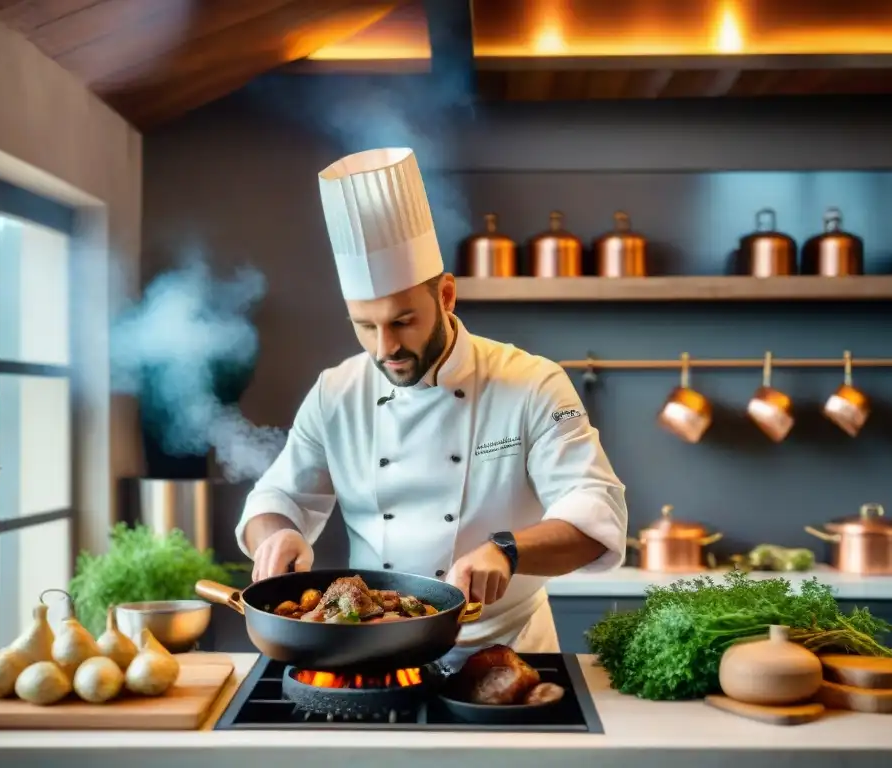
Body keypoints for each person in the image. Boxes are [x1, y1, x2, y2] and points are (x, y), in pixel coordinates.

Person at [236, 147, 628, 666]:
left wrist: (509, 551)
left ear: (445, 296)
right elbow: (278, 495)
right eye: (364, 325)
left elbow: (594, 513)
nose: (384, 348)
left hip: (507, 647)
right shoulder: (335, 392)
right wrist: (278, 534)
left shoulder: (532, 383)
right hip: (373, 651)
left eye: (403, 321)